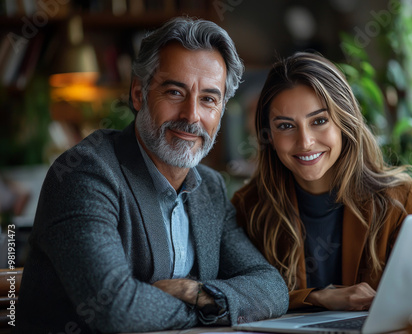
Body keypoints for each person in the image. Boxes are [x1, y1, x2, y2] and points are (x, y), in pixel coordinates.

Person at [15, 17, 288, 333]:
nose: (191, 115)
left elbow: (271, 288)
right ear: (138, 94)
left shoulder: (209, 188)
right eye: (175, 92)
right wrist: (217, 308)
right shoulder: (84, 174)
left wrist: (195, 292)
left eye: (209, 99)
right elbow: (115, 309)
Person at [231, 51, 412, 311]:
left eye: (319, 121)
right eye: (286, 126)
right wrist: (316, 296)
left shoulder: (401, 199)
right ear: (268, 135)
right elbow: (240, 296)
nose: (305, 142)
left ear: (345, 122)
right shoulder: (249, 207)